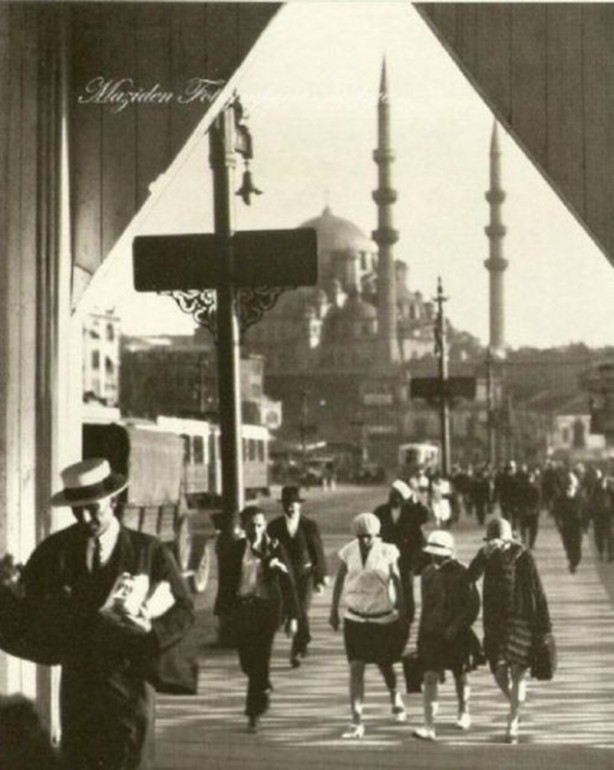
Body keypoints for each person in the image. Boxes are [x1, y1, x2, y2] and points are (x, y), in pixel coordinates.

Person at [2, 458, 195, 770]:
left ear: (113, 500)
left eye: (94, 507)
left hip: (130, 689)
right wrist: (10, 591)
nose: (86, 517)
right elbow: (27, 613)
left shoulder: (149, 551)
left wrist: (151, 629)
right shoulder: (55, 551)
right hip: (79, 690)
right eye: (77, 509)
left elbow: (185, 610)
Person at [215, 504, 299, 733]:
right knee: (247, 662)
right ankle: (263, 684)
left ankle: (254, 714)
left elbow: (288, 583)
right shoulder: (235, 549)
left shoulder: (274, 548)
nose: (256, 530)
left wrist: (293, 616)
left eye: (260, 525)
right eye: (251, 525)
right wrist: (222, 614)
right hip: (243, 610)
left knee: (260, 659)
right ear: (243, 526)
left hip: (266, 611)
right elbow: (225, 583)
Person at [468, 517, 552, 744]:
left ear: (509, 540)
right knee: (498, 673)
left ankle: (512, 722)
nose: (497, 545)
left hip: (522, 621)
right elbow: (469, 579)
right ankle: (516, 705)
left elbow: (539, 591)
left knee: (517, 672)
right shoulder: (485, 556)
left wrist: (545, 628)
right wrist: (483, 556)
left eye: (500, 541)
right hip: (496, 623)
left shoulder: (523, 557)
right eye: (492, 541)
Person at [329, 512, 409, 739]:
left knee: (385, 664)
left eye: (368, 536)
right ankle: (356, 720)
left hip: (382, 617)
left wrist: (402, 610)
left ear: (376, 534)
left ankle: (394, 694)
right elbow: (340, 579)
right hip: (355, 618)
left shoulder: (387, 551)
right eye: (360, 536)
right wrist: (333, 610)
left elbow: (397, 580)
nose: (364, 541)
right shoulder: (349, 551)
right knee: (356, 667)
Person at [413, 530, 481, 741]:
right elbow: (426, 606)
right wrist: (420, 637)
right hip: (431, 633)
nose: (435, 558)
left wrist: (458, 625)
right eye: (433, 554)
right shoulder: (426, 573)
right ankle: (429, 725)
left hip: (456, 634)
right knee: (430, 676)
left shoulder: (464, 572)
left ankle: (464, 711)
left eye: (439, 554)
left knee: (459, 673)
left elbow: (473, 605)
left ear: (450, 553)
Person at [268, 485, 328, 667]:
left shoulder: (309, 525)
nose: (291, 507)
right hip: (284, 577)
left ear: (300, 506)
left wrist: (320, 577)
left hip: (305, 576)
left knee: (301, 609)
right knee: (292, 609)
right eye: (287, 504)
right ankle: (303, 640)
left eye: (294, 504)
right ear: (283, 506)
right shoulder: (274, 526)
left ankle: (295, 651)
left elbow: (318, 552)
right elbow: (268, 552)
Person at [373, 479, 428, 633]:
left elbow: (426, 516)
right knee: (386, 585)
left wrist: (415, 500)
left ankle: (408, 617)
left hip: (407, 556)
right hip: (387, 556)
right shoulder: (381, 511)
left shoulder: (411, 510)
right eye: (392, 494)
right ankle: (389, 613)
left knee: (407, 586)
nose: (394, 498)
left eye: (398, 495)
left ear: (404, 498)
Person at [553, 469, 584, 573]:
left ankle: (575, 561)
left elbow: (586, 511)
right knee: (568, 545)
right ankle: (572, 562)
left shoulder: (580, 498)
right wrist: (558, 524)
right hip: (566, 525)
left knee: (577, 545)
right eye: (567, 486)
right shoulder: (560, 498)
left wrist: (585, 524)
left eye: (571, 486)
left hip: (577, 525)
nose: (569, 489)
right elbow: (556, 512)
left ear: (575, 486)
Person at [587, 470, 614, 562]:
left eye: (605, 482)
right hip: (598, 516)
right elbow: (590, 504)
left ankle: (610, 554)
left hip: (608, 516)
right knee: (599, 536)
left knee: (609, 535)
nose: (603, 484)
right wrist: (590, 516)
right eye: (602, 482)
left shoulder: (610, 491)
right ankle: (601, 552)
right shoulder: (595, 491)